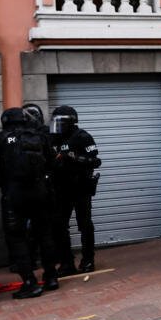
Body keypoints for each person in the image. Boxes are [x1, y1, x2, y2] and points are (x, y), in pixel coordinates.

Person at [0, 108, 59, 298]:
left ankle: (30, 282)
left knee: (17, 238)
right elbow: (53, 163)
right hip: (41, 194)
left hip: (15, 197)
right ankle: (51, 277)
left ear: (5, 121)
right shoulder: (40, 137)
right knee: (45, 235)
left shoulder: (1, 137)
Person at [50, 105, 101, 275]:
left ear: (70, 122)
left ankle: (88, 260)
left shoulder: (82, 137)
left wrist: (74, 158)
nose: (56, 126)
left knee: (84, 224)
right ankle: (66, 263)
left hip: (80, 188)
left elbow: (95, 161)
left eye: (60, 122)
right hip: (61, 189)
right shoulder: (53, 139)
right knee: (59, 225)